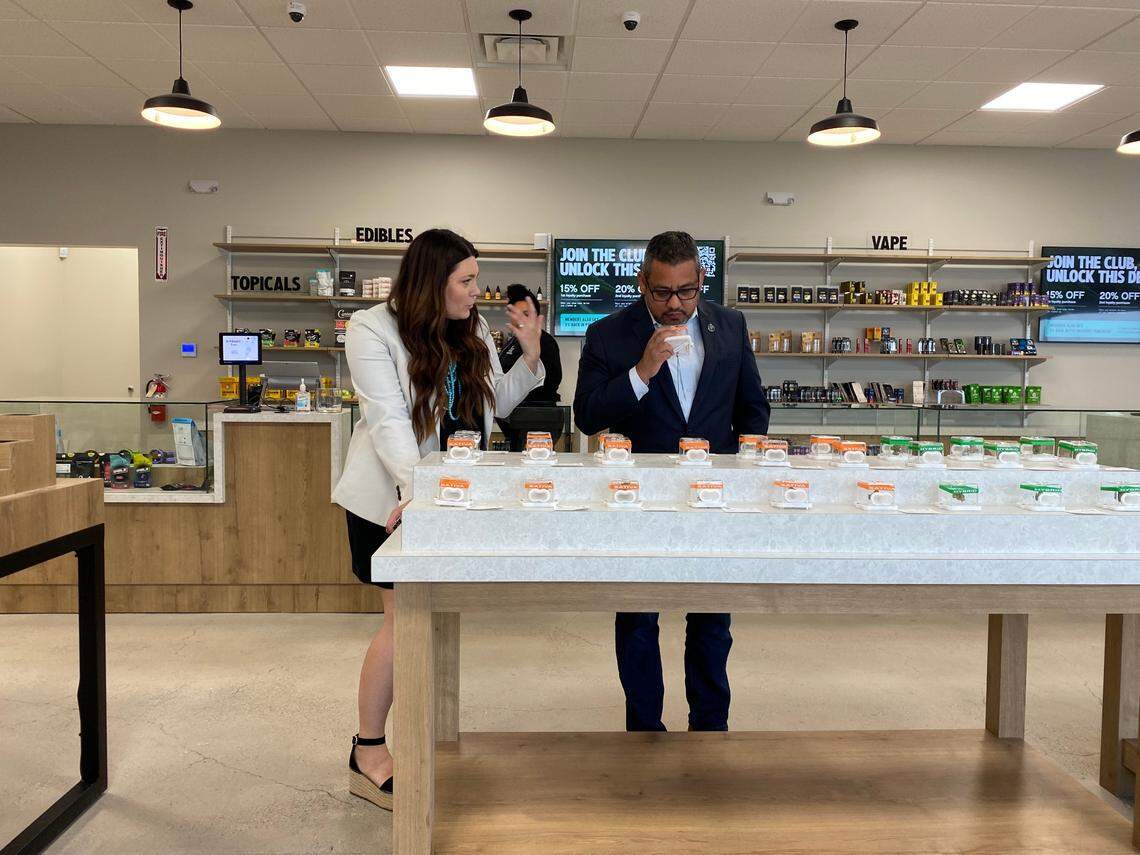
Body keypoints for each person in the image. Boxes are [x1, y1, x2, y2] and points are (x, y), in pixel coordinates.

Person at [332, 228, 545, 810]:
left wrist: (529, 353)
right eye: (466, 281)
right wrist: (418, 492)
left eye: (476, 279)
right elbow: (389, 423)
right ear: (433, 282)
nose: (478, 292)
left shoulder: (471, 327)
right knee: (403, 621)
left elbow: (492, 406)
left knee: (432, 621)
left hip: (452, 493)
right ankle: (367, 748)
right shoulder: (371, 328)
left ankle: (427, 734)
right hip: (393, 503)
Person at [573, 230, 770, 733]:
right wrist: (643, 370)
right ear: (642, 283)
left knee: (712, 621)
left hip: (714, 496)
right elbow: (587, 416)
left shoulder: (730, 324)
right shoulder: (608, 334)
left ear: (702, 280)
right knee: (637, 619)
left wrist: (749, 468)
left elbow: (752, 405)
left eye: (687, 291)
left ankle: (709, 727)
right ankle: (644, 730)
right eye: (662, 292)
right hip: (637, 498)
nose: (676, 304)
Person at [496, 283, 563, 451]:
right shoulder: (513, 342)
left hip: (537, 418)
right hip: (514, 419)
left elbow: (553, 378)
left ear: (536, 316)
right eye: (517, 314)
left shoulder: (544, 342)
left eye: (526, 314)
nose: (521, 319)